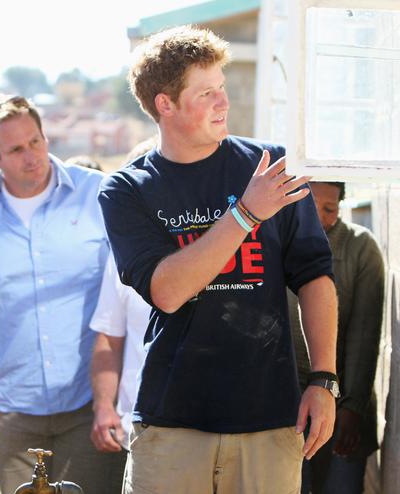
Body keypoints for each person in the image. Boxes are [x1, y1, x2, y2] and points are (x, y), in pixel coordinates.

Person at [98, 25, 338, 494]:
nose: (223, 102)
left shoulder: (271, 167)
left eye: (222, 88)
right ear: (164, 104)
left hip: (270, 418)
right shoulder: (126, 190)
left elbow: (316, 278)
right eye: (205, 93)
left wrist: (325, 379)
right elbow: (167, 292)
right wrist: (246, 213)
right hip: (172, 421)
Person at [0, 94, 113, 494]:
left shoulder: (98, 194)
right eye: (16, 149)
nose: (32, 155)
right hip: (15, 403)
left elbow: (126, 293)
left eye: (36, 141)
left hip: (92, 400)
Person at [296, 182, 384, 494]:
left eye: (329, 209)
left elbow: (365, 335)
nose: (318, 216)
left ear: (342, 205)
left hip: (344, 405)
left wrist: (352, 408)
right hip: (289, 411)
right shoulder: (279, 240)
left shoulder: (361, 247)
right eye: (309, 204)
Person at [89, 252, 151, 492]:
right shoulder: (124, 248)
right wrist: (103, 405)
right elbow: (108, 338)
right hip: (139, 433)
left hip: (227, 431)